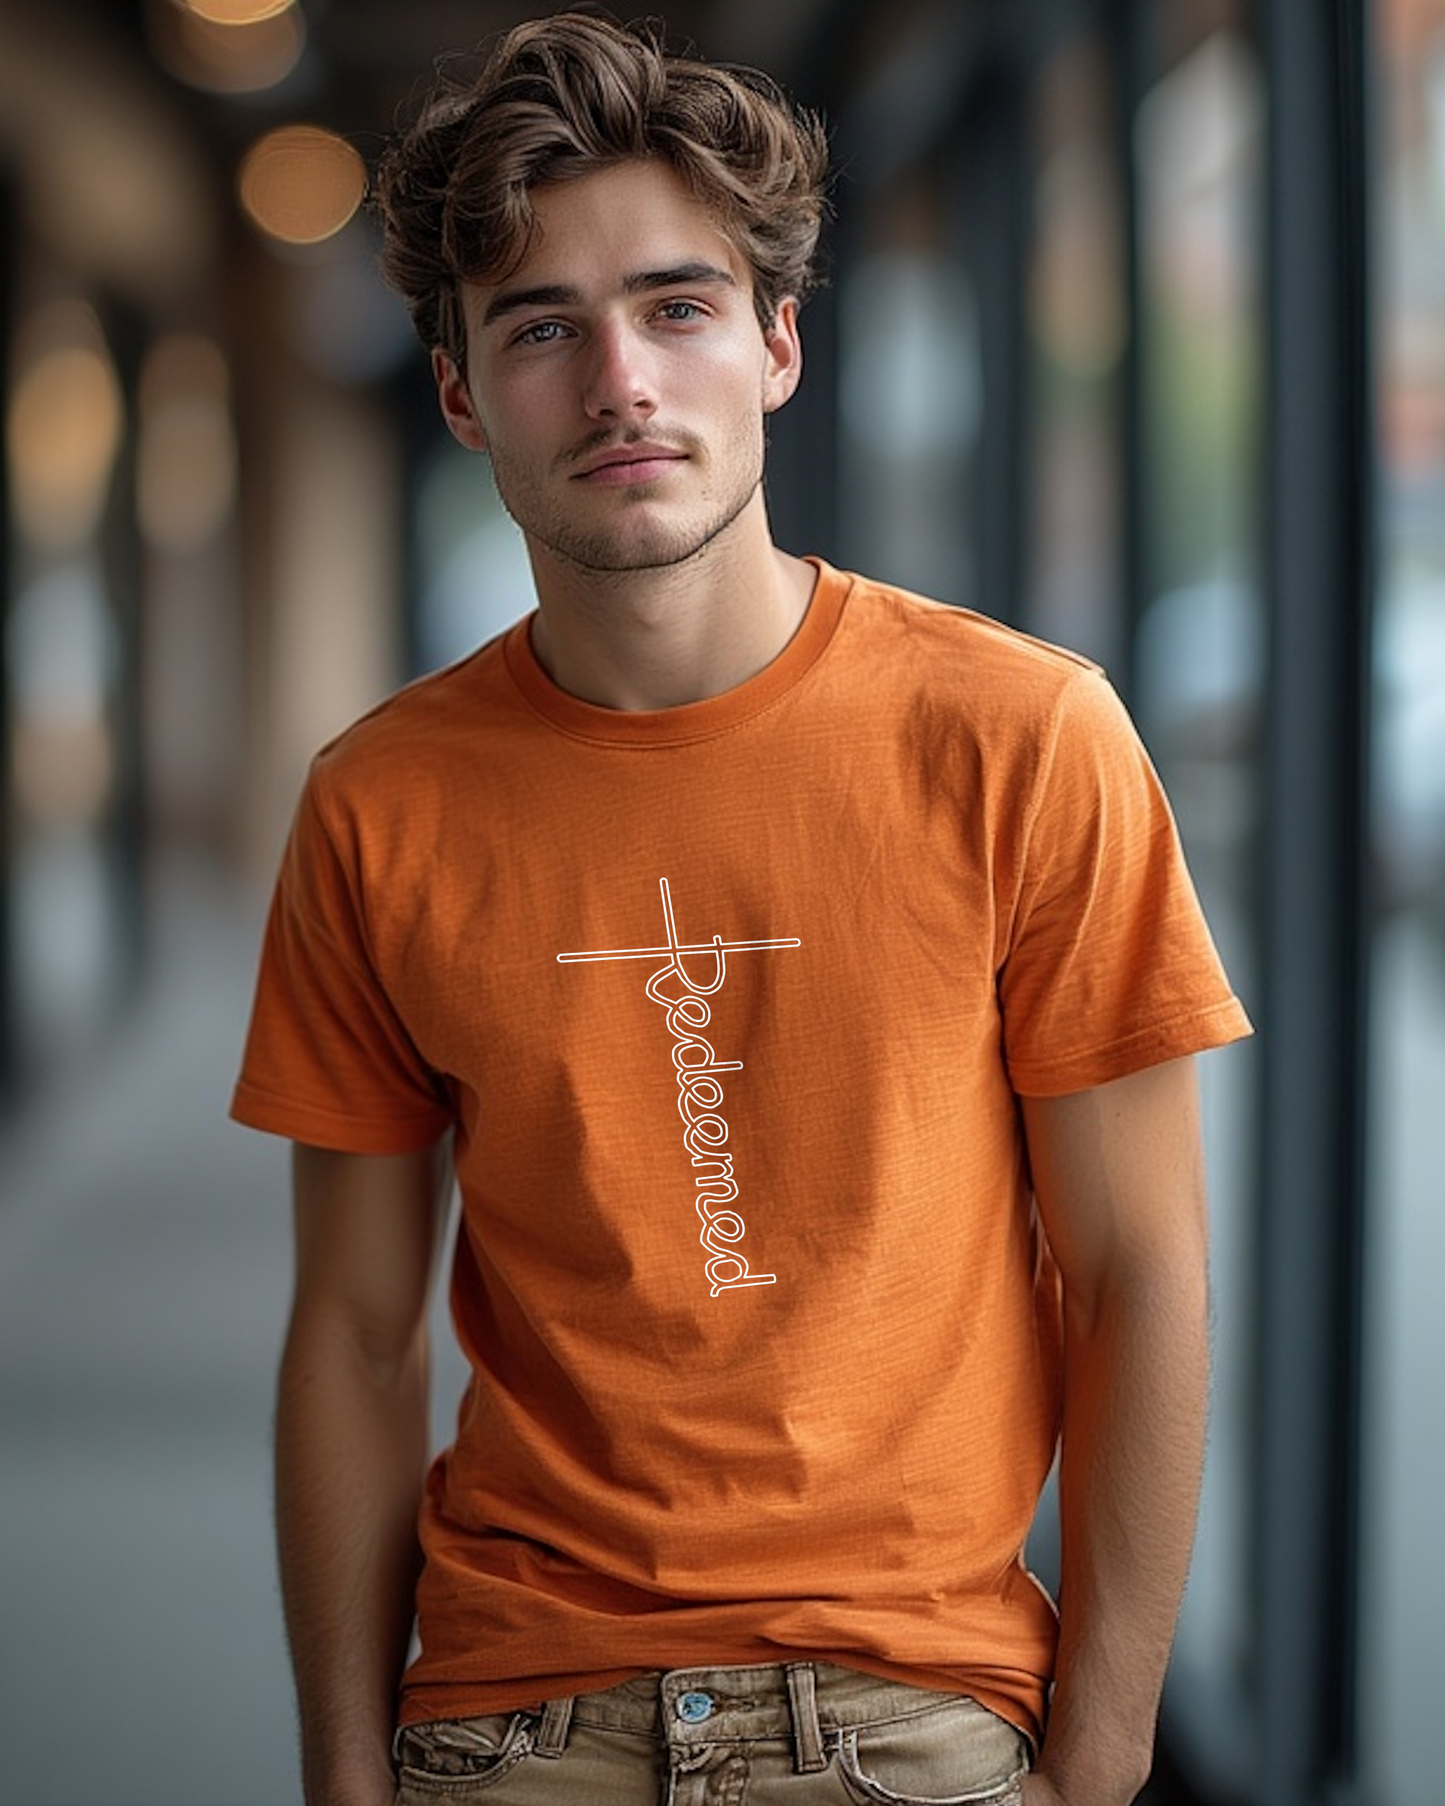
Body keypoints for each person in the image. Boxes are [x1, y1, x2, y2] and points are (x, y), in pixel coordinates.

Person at [231, 12, 1252, 1806]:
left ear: (778, 343)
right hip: (508, 1717)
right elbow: (356, 1331)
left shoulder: (1023, 739)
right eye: (543, 328)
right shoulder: (380, 804)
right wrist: (341, 1766)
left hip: (911, 1716)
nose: (620, 378)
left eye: (678, 306)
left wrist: (1101, 1762)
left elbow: (1142, 1274)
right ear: (464, 394)